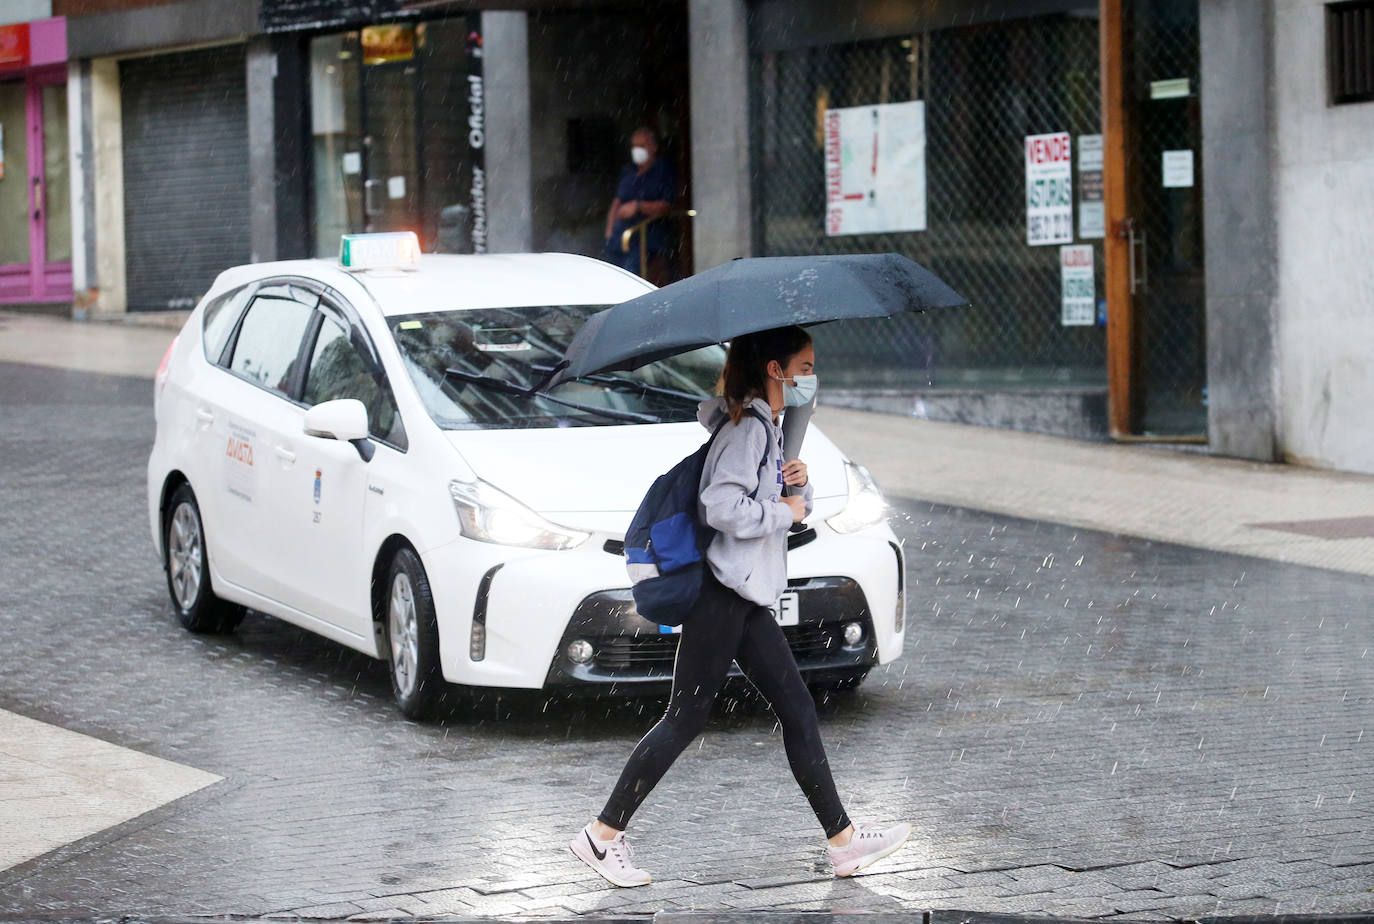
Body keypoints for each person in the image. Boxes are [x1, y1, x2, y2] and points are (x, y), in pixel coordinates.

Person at [569, 326, 911, 887]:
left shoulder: (764, 429)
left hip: (741, 595)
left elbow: (763, 500)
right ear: (775, 371)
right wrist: (789, 512)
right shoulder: (747, 428)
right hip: (721, 596)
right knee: (685, 717)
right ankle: (602, 836)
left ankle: (844, 843)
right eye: (804, 367)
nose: (810, 378)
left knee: (796, 708)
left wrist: (792, 483)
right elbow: (723, 506)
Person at [602, 127, 676, 283]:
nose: (637, 151)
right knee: (608, 272)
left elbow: (667, 205)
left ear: (653, 148)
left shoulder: (663, 171)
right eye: (634, 146)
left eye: (641, 146)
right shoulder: (628, 171)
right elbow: (617, 202)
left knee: (630, 276)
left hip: (647, 236)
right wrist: (609, 230)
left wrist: (639, 207)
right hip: (620, 236)